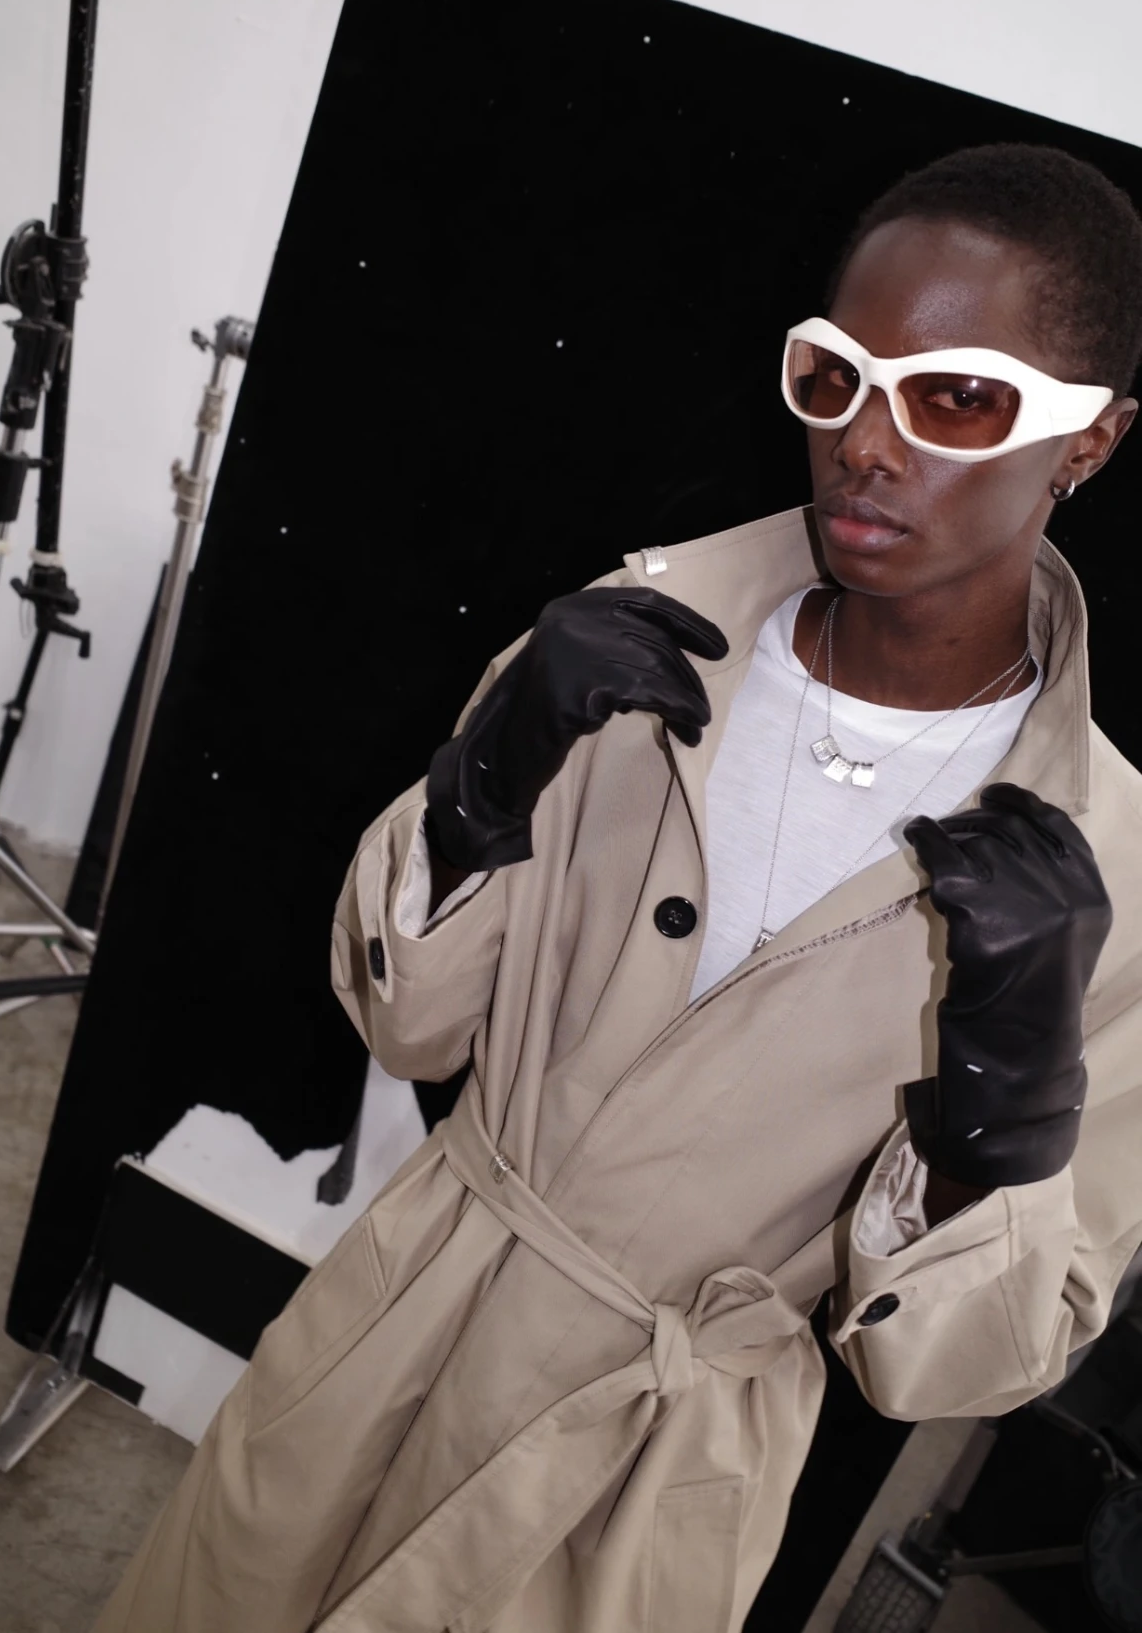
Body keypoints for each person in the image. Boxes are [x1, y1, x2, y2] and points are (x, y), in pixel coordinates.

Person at [96, 143, 1142, 1633]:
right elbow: (407, 1030)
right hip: (388, 1335)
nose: (866, 442)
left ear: (1088, 440)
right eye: (835, 377)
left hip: (644, 1484)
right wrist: (482, 785)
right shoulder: (628, 644)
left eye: (957, 397)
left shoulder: (1111, 873)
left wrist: (1002, 1113)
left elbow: (955, 1368)